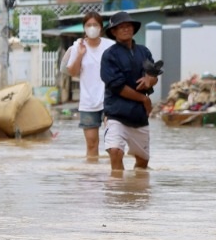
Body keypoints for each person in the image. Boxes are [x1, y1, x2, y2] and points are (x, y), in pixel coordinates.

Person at [100, 11, 158, 172]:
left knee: (142, 162)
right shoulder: (109, 55)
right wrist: (144, 99)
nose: (126, 29)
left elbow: (153, 74)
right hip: (116, 114)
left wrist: (149, 79)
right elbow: (116, 86)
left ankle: (137, 188)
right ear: (113, 32)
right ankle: (117, 192)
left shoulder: (144, 52)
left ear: (133, 29)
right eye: (121, 27)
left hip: (139, 116)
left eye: (128, 26)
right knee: (115, 151)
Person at [63, 12, 116, 159]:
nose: (92, 28)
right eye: (89, 25)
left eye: (95, 25)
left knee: (113, 143)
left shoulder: (111, 46)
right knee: (92, 144)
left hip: (110, 100)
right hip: (88, 102)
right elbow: (73, 72)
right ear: (84, 27)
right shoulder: (77, 47)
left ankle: (114, 177)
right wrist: (80, 54)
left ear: (101, 27)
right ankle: (92, 177)